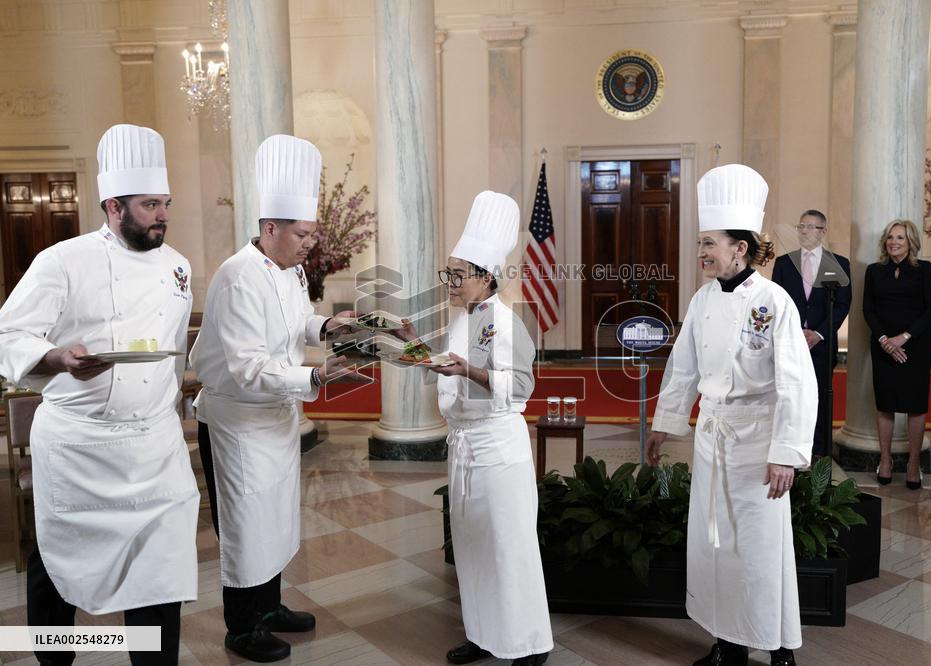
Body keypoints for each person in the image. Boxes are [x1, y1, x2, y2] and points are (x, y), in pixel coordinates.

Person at [0, 124, 199, 665]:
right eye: (150, 205)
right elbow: (9, 334)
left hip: (154, 447)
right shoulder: (62, 260)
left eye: (165, 203)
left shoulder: (178, 266)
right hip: (80, 447)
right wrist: (58, 359)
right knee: (59, 563)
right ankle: (56, 658)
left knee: (160, 571)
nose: (162, 215)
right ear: (113, 206)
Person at [189, 134, 360, 663]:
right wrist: (316, 377)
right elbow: (247, 368)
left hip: (275, 416)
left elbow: (295, 322)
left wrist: (326, 326)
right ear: (270, 228)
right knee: (246, 524)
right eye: (302, 234)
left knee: (276, 518)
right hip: (238, 422)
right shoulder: (238, 277)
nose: (310, 244)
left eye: (312, 234)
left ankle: (269, 607)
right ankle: (242, 628)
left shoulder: (291, 270)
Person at [645, 165, 817, 666]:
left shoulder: (773, 301)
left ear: (740, 248)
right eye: (701, 243)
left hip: (759, 445)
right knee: (715, 547)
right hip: (713, 439)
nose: (701, 252)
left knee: (759, 550)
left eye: (709, 243)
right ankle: (728, 643)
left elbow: (796, 384)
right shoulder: (701, 299)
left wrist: (786, 454)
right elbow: (683, 368)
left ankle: (778, 647)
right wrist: (664, 424)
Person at [402, 191, 552, 665]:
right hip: (464, 449)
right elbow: (448, 368)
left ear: (486, 277)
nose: (449, 283)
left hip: (498, 449)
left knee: (508, 547)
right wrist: (414, 345)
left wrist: (470, 371)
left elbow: (522, 387)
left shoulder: (508, 323)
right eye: (447, 274)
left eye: (457, 275)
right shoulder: (462, 319)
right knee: (471, 546)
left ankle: (529, 644)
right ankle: (483, 634)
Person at [862, 219, 931, 490]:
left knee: (916, 405)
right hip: (883, 346)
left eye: (900, 238)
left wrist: (903, 338)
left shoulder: (924, 269)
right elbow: (868, 309)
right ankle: (885, 460)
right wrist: (885, 341)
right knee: (885, 403)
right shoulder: (874, 271)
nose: (893, 242)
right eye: (890, 237)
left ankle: (913, 464)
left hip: (915, 346)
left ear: (910, 242)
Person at [771, 209, 851, 457]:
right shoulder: (784, 263)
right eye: (801, 226)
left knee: (820, 396)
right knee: (790, 395)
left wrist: (819, 333)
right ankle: (789, 446)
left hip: (821, 345)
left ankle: (819, 450)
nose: (803, 230)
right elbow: (776, 302)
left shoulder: (838, 264)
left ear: (823, 232)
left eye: (810, 226)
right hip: (790, 343)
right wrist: (793, 333)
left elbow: (843, 304)